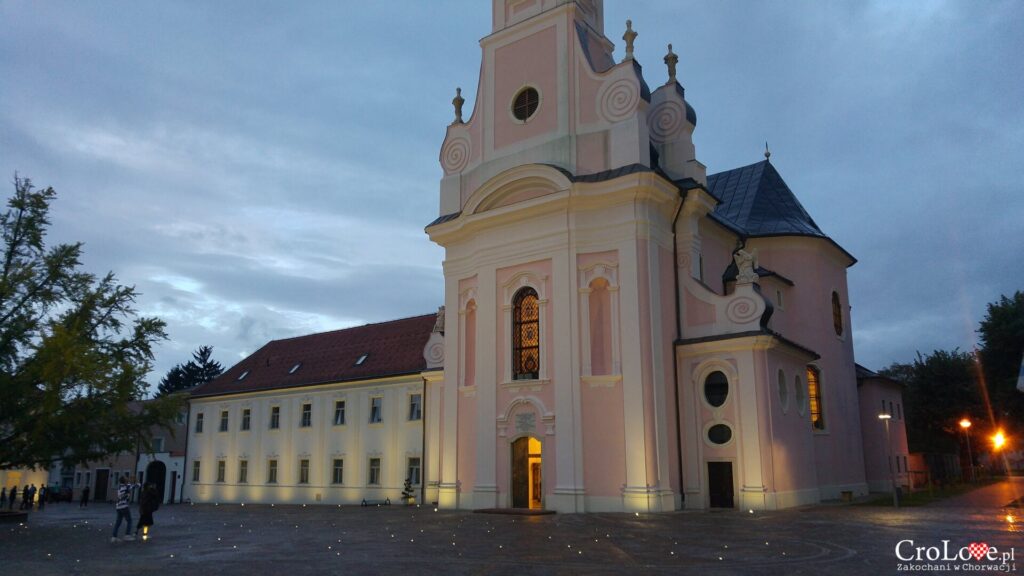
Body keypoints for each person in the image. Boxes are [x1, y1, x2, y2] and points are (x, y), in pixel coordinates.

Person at [110, 477, 136, 542]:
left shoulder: (119, 487)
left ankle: (114, 537)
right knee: (129, 520)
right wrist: (135, 480)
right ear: (125, 481)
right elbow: (137, 485)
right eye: (126, 479)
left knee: (118, 522)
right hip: (124, 506)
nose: (127, 479)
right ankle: (127, 535)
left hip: (118, 506)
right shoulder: (127, 486)